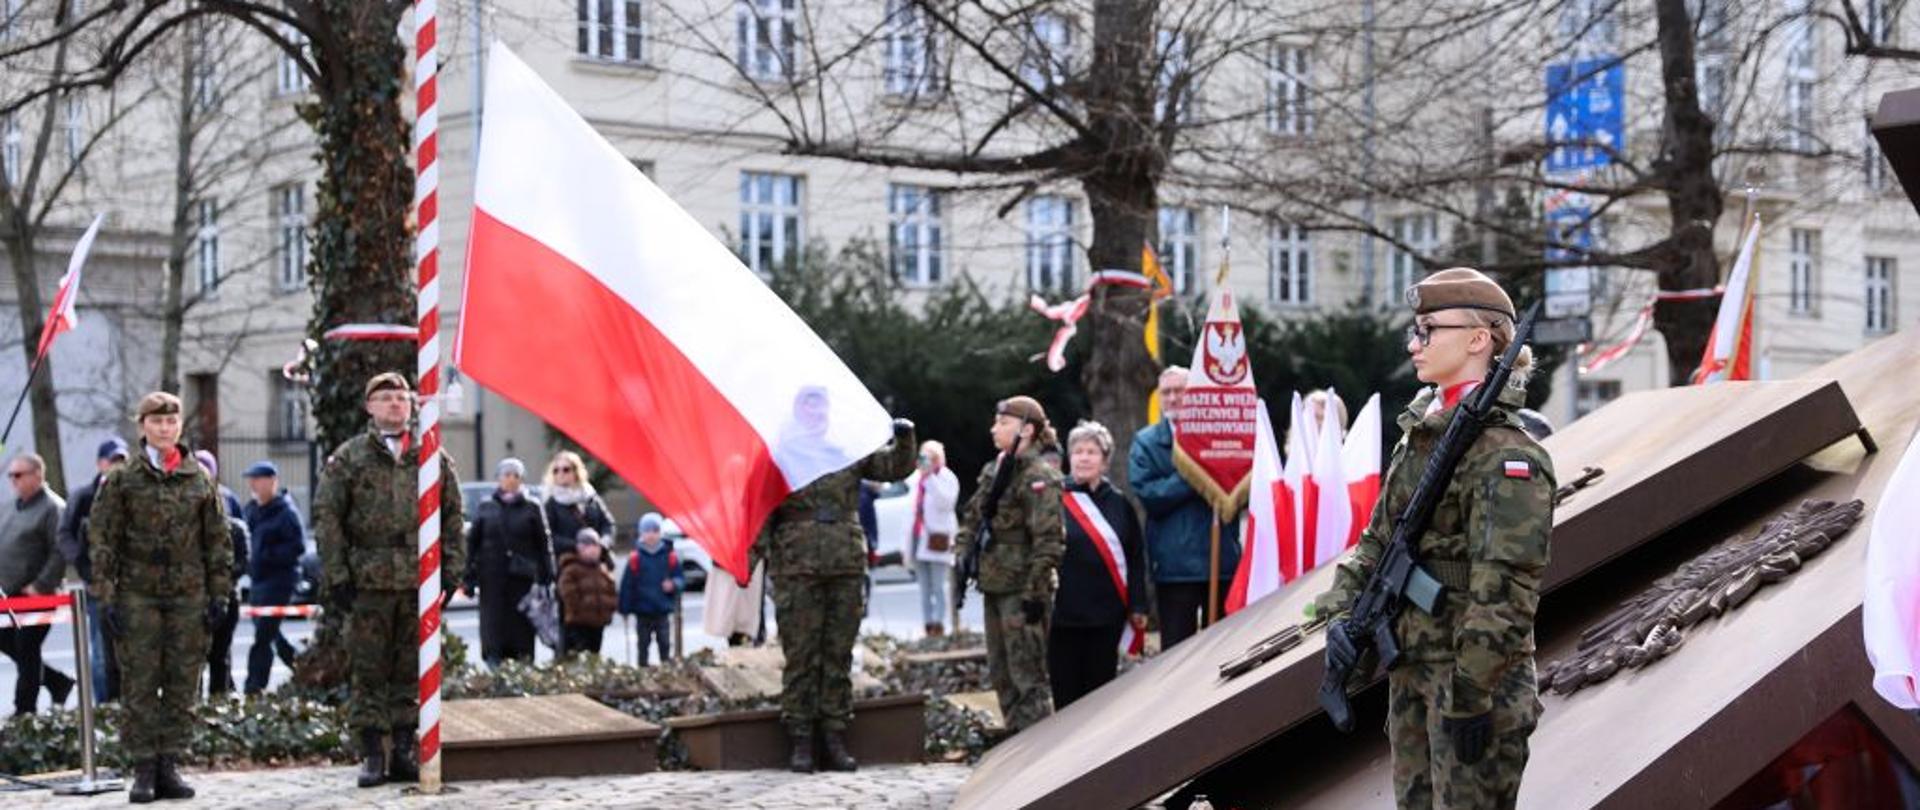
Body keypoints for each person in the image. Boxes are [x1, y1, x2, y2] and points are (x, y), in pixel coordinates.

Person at [1314, 268, 1555, 809]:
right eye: (1413, 330)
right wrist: (1339, 616)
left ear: (1477, 340)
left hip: (1475, 683)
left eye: (1427, 330)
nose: (1413, 343)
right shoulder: (1422, 437)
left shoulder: (1506, 454)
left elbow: (1506, 591)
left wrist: (1471, 693)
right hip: (1414, 673)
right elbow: (1377, 543)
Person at [314, 372, 465, 789]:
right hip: (369, 579)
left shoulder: (431, 454)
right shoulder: (349, 458)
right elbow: (327, 519)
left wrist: (451, 571)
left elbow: (453, 516)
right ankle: (371, 754)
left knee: (409, 669)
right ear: (369, 407)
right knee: (368, 669)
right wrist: (338, 575)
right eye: (385, 398)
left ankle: (402, 749)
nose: (396, 404)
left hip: (419, 579)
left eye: (401, 397)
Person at [88, 392, 232, 802]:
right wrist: (107, 594)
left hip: (189, 594)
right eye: (156, 422)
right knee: (140, 681)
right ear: (143, 427)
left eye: (171, 422)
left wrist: (219, 593)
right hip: (138, 593)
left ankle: (170, 762)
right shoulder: (123, 478)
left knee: (183, 681)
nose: (165, 429)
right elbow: (102, 537)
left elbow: (218, 540)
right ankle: (144, 769)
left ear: (180, 427)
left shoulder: (199, 478)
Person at [752, 416, 916, 773]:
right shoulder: (783, 457)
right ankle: (800, 739)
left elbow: (893, 468)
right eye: (808, 405)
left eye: (821, 405)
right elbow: (762, 509)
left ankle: (834, 735)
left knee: (838, 654)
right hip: (797, 566)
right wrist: (750, 561)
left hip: (844, 562)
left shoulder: (846, 450)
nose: (816, 412)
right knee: (801, 654)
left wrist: (904, 439)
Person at [954, 396, 1065, 735]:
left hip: (1023, 589)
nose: (994, 429)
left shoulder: (1039, 477)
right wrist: (962, 556)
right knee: (1002, 674)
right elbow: (973, 517)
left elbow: (1049, 542)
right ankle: (1017, 744)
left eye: (1003, 423)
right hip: (995, 584)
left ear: (1027, 430)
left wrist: (1034, 592)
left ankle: (1037, 753)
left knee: (1028, 677)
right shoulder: (995, 470)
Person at [1129, 366, 1240, 650]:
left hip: (1221, 560)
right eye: (1167, 392)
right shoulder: (1146, 442)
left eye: (1181, 390)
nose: (1174, 398)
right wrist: (1196, 474)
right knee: (1177, 654)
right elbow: (1149, 495)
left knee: (1222, 650)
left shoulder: (1222, 437)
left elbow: (1242, 491)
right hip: (1175, 567)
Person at [1049, 421, 1148, 709]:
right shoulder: (1054, 498)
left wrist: (1138, 605)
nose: (1083, 457)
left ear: (1105, 461)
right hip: (1062, 615)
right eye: (1077, 451)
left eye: (1091, 451)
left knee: (1100, 696)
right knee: (1065, 694)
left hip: (1106, 616)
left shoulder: (1119, 504)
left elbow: (1135, 557)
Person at [1, 452, 73, 716]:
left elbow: (60, 550)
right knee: (13, 645)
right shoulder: (10, 507)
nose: (13, 481)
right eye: (11, 475)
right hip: (8, 595)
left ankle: (25, 711)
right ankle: (56, 681)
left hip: (36, 595)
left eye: (18, 475)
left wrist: (41, 585)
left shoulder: (54, 508)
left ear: (37, 475)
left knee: (27, 649)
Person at [463, 458, 553, 668]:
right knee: (493, 627)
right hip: (492, 580)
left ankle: (522, 666)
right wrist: (468, 577)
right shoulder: (486, 507)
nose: (511, 479)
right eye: (507, 474)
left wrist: (547, 577)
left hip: (522, 581)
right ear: (498, 478)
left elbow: (543, 544)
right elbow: (472, 544)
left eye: (516, 475)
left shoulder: (532, 507)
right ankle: (494, 663)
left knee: (521, 629)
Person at [58, 437, 128, 703]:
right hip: (96, 587)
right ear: (100, 464)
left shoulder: (131, 495)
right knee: (100, 652)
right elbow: (65, 535)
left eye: (122, 461)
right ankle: (103, 707)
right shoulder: (83, 497)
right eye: (112, 461)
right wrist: (85, 569)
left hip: (128, 586)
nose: (116, 467)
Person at [241, 461, 304, 695]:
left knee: (263, 636)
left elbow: (296, 547)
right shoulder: (252, 510)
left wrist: (267, 556)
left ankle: (254, 686)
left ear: (271, 481)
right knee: (269, 632)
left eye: (257, 479)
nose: (253, 484)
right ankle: (298, 665)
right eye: (251, 479)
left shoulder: (285, 512)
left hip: (279, 581)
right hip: (258, 580)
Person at [193, 449, 248, 697]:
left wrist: (222, 584)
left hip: (224, 599)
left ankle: (218, 705)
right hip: (193, 598)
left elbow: (241, 559)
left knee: (220, 657)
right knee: (192, 663)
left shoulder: (233, 524)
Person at [906, 440, 959, 637]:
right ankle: (927, 624)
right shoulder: (916, 480)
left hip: (938, 539)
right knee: (924, 587)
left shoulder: (945, 477)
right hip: (918, 538)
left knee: (938, 586)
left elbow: (946, 503)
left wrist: (930, 479)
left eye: (930, 457)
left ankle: (939, 623)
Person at [618, 514, 683, 666]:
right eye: (647, 531)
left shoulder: (669, 556)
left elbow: (680, 578)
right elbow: (627, 586)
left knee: (665, 643)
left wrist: (674, 584)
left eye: (655, 531)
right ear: (641, 534)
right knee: (643, 644)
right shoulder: (635, 558)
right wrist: (624, 609)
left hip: (662, 609)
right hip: (643, 610)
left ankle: (666, 669)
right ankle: (643, 668)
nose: (651, 535)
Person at [542, 450, 615, 561]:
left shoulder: (590, 496)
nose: (560, 473)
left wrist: (602, 544)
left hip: (597, 561)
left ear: (576, 472)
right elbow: (549, 536)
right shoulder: (551, 503)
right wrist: (578, 546)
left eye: (566, 469)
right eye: (556, 470)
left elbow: (608, 524)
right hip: (569, 562)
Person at [557, 528, 618, 658]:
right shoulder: (571, 569)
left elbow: (611, 591)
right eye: (588, 546)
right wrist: (581, 608)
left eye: (596, 546)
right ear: (580, 548)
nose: (593, 550)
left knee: (594, 656)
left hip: (598, 624)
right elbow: (568, 593)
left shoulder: (603, 569)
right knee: (578, 656)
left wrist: (609, 609)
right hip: (578, 624)